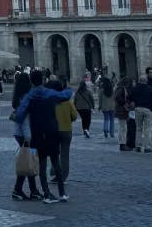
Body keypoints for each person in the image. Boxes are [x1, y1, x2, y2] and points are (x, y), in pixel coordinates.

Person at [13, 69, 74, 203]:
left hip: (37, 134)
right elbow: (66, 95)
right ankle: (62, 193)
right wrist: (68, 88)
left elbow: (19, 115)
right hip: (52, 131)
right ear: (42, 80)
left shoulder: (30, 96)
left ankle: (46, 194)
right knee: (55, 162)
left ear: (31, 81)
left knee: (41, 165)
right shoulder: (49, 93)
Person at [49, 78, 78, 187]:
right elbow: (74, 116)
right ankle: (63, 176)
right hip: (67, 130)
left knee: (55, 153)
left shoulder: (52, 102)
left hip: (55, 131)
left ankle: (54, 172)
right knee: (65, 155)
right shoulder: (68, 102)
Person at [130, 74, 152, 153]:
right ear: (146, 81)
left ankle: (138, 146)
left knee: (138, 128)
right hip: (148, 109)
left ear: (139, 81)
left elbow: (131, 98)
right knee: (147, 129)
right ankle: (147, 147)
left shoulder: (135, 89)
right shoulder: (150, 89)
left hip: (138, 108)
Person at [114, 76, 134, 151]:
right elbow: (117, 98)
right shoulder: (121, 89)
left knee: (123, 128)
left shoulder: (122, 88)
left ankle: (123, 143)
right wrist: (125, 103)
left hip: (122, 110)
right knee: (123, 128)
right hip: (121, 110)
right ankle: (122, 144)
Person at [73, 74, 95, 139]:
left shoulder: (77, 92)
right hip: (87, 107)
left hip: (79, 108)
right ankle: (86, 129)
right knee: (88, 119)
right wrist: (93, 107)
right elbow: (92, 100)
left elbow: (75, 100)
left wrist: (75, 107)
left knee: (83, 119)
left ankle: (84, 130)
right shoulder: (88, 92)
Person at [97, 73, 116, 139]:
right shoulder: (112, 90)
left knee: (106, 119)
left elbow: (100, 99)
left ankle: (105, 130)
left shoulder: (102, 90)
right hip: (112, 106)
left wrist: (99, 106)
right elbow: (115, 98)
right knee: (112, 120)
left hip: (104, 107)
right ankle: (112, 133)